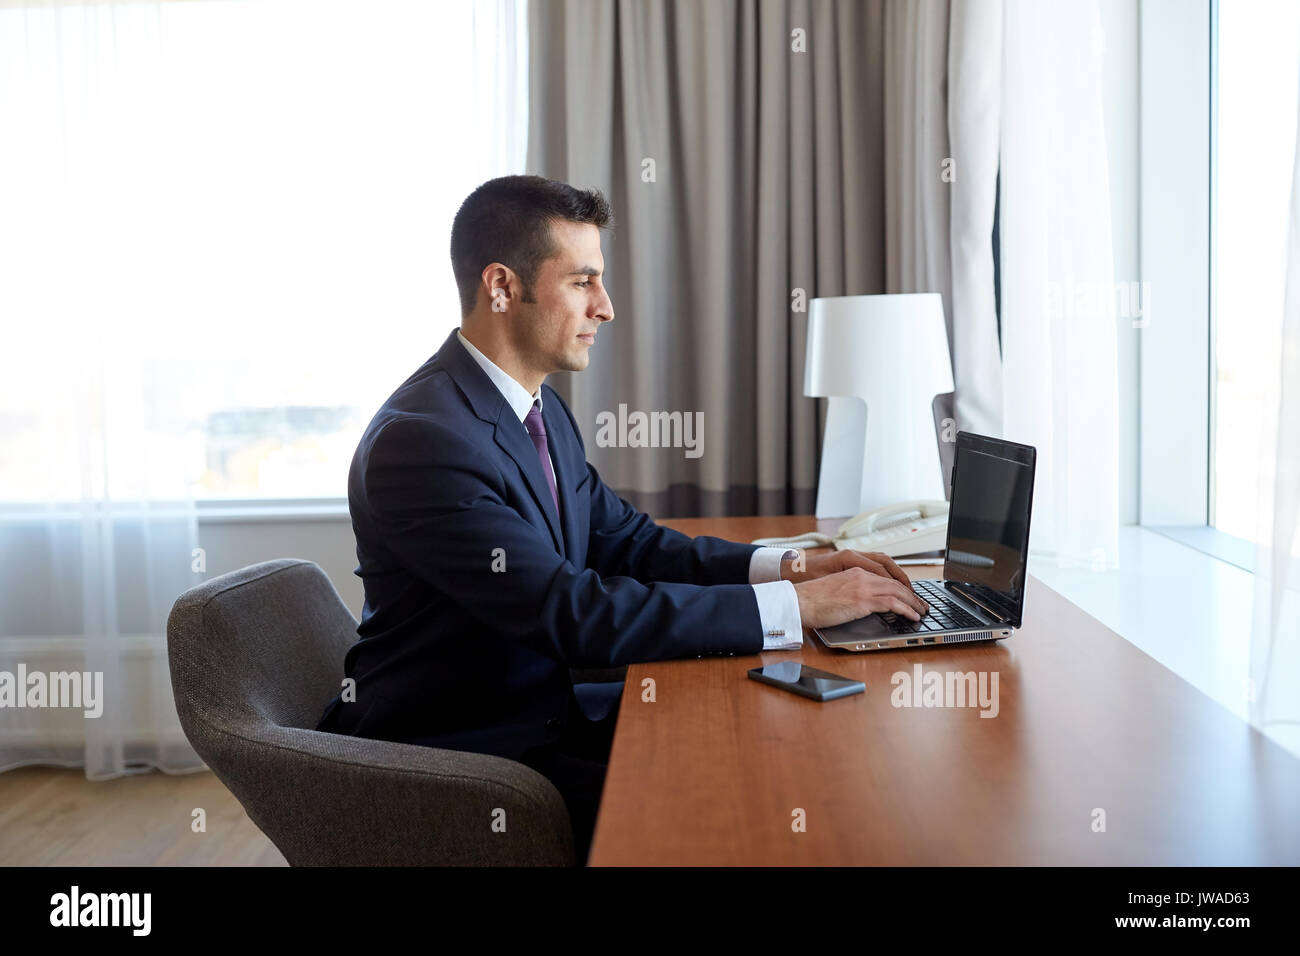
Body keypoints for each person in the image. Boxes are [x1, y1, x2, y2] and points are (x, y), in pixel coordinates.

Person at [315, 174, 928, 864]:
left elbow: (622, 540)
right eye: (583, 282)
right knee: (737, 807)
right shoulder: (422, 440)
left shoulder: (535, 408)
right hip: (468, 755)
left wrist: (789, 565)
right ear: (502, 286)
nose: (606, 308)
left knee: (776, 748)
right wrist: (800, 606)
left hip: (546, 712)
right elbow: (572, 614)